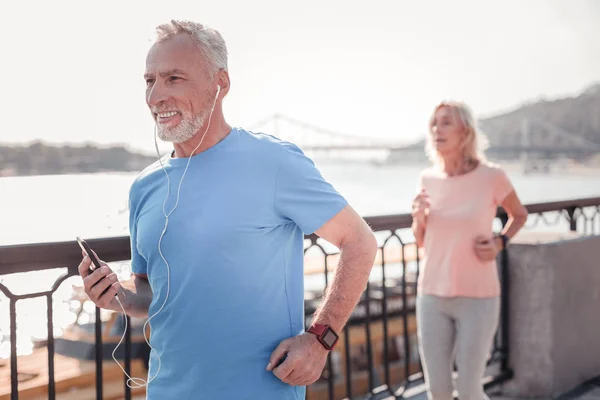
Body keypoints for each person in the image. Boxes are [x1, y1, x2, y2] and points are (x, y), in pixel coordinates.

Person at [77, 20, 377, 399]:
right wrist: (114, 295)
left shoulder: (273, 162)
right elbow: (152, 293)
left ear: (221, 83)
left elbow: (360, 241)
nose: (155, 97)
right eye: (150, 81)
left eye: (174, 78)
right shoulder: (144, 187)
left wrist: (320, 339)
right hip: (167, 391)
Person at [411, 101, 528, 400]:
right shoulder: (427, 179)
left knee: (469, 389)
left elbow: (519, 214)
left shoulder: (491, 176)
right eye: (434, 123)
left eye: (446, 122)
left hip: (478, 296)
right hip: (432, 295)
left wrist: (500, 241)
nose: (437, 129)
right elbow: (422, 241)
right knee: (437, 390)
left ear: (465, 131)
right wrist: (418, 218)